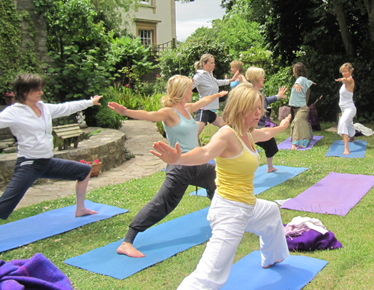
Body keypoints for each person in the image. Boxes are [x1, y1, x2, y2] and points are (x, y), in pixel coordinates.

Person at [151, 83, 292, 290]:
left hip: (248, 205)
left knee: (271, 212)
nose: (258, 113)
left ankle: (271, 257)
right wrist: (179, 158)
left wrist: (282, 127)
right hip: (230, 212)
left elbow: (265, 134)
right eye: (252, 108)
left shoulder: (248, 133)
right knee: (210, 276)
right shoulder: (226, 134)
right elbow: (205, 153)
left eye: (260, 108)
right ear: (238, 107)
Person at [109, 75, 227, 258]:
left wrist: (218, 94)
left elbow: (204, 100)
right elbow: (147, 115)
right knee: (162, 204)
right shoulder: (169, 113)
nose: (191, 92)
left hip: (197, 163)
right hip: (180, 167)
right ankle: (127, 242)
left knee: (217, 182)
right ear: (180, 92)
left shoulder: (188, 109)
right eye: (189, 89)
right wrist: (126, 112)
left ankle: (219, 219)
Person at [0, 73, 102, 232]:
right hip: (29, 164)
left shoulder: (44, 107)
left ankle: (80, 209)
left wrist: (89, 102)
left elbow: (65, 107)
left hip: (47, 162)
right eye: (37, 90)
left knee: (84, 170)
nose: (41, 92)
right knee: (4, 204)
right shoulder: (14, 112)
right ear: (24, 92)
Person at [244, 67, 287, 172]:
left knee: (271, 146)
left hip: (260, 127)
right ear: (255, 79)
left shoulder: (260, 91)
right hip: (251, 128)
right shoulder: (250, 93)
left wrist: (278, 96)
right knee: (249, 150)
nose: (263, 78)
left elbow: (265, 101)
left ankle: (270, 167)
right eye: (261, 77)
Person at [193, 54, 236, 136]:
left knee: (227, 128)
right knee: (195, 134)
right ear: (204, 64)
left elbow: (217, 82)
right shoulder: (199, 76)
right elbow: (188, 86)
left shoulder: (210, 75)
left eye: (214, 63)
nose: (214, 65)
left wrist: (230, 80)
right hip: (204, 109)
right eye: (211, 63)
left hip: (211, 111)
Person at [288, 62, 316, 150]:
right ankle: (310, 135)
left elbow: (299, 83)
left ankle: (295, 144)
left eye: (294, 69)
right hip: (298, 107)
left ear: (297, 70)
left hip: (301, 108)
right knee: (302, 122)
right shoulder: (305, 80)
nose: (293, 70)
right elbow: (308, 90)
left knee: (297, 122)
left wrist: (296, 85)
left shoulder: (300, 79)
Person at [335, 62, 356, 155]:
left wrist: (343, 79)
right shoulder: (345, 82)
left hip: (350, 108)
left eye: (346, 71)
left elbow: (346, 81)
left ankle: (346, 148)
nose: (344, 73)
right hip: (344, 109)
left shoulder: (351, 81)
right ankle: (352, 137)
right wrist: (343, 79)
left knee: (343, 122)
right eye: (342, 72)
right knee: (349, 123)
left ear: (350, 71)